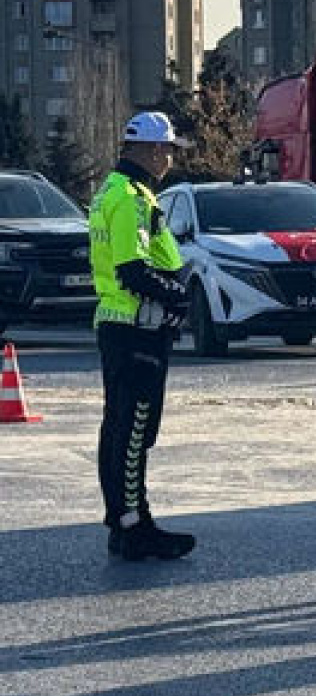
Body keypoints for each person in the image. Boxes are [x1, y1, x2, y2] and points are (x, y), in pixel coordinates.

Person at [88, 111, 196, 561]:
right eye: (168, 150)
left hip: (120, 325)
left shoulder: (110, 192)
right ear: (153, 151)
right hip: (138, 328)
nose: (170, 159)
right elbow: (132, 269)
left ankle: (125, 520)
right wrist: (178, 294)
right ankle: (135, 525)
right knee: (134, 431)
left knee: (119, 427)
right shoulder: (132, 197)